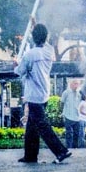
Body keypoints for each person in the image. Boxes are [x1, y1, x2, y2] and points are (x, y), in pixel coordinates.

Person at [14, 23, 71, 164]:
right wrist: (35, 25)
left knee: (42, 126)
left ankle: (61, 151)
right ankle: (30, 156)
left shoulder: (30, 54)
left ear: (33, 38)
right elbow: (43, 40)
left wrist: (15, 64)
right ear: (46, 37)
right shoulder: (49, 51)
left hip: (33, 95)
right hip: (44, 93)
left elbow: (19, 72)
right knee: (31, 127)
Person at [61, 79, 82, 149]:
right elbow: (62, 103)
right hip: (68, 116)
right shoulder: (66, 93)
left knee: (77, 134)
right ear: (71, 84)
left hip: (77, 117)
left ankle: (75, 149)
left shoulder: (79, 94)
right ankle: (68, 149)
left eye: (77, 84)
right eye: (75, 83)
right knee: (69, 134)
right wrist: (62, 113)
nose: (76, 85)